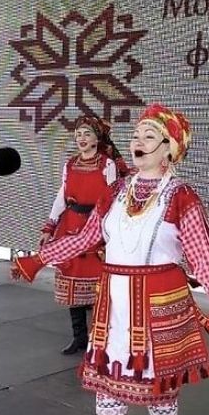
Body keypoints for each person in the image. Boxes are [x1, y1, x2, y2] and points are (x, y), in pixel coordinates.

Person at [12, 104, 209, 415]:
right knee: (107, 383)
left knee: (160, 386)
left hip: (160, 301)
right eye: (135, 135)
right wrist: (39, 258)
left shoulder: (180, 196)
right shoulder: (117, 191)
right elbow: (86, 238)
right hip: (115, 300)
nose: (137, 141)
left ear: (171, 149)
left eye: (149, 136)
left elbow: (204, 253)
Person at [41, 116, 127, 355]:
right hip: (70, 226)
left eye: (87, 134)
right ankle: (79, 337)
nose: (81, 138)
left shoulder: (106, 164)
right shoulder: (70, 164)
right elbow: (63, 194)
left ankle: (100, 340)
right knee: (72, 285)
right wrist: (49, 227)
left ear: (97, 138)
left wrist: (111, 232)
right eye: (78, 134)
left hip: (97, 228)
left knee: (100, 289)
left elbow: (115, 198)